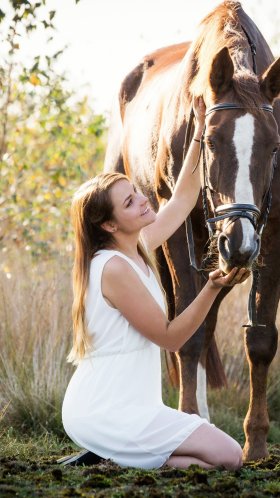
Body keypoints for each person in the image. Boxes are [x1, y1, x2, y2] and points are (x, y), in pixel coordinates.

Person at [62, 97, 248, 471]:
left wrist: (198, 133)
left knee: (217, 459)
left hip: (134, 407)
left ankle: (113, 458)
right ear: (109, 225)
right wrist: (211, 289)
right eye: (130, 203)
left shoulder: (138, 248)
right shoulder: (112, 268)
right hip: (106, 409)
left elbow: (182, 200)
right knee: (228, 456)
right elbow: (170, 338)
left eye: (136, 191)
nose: (144, 201)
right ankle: (113, 454)